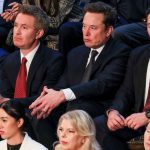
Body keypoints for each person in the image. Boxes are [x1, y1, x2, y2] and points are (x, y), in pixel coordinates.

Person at [19, 2, 131, 149]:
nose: (86, 33)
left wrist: (63, 95)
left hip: (101, 107)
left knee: (77, 108)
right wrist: (50, 95)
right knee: (39, 113)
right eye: (84, 26)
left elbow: (103, 84)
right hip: (73, 105)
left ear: (109, 30)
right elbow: (63, 84)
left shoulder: (121, 51)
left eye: (93, 28)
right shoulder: (76, 53)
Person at [94, 7, 150, 150]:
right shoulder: (139, 54)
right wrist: (113, 112)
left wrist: (147, 116)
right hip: (137, 118)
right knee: (101, 124)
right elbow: (126, 90)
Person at [0, 5, 64, 101]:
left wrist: (8, 102)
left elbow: (42, 100)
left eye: (24, 27)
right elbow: (6, 95)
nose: (17, 32)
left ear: (39, 33)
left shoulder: (54, 61)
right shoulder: (7, 61)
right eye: (16, 25)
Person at [1, 0, 90, 49]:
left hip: (60, 31)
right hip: (37, 28)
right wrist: (16, 17)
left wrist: (26, 9)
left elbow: (55, 23)